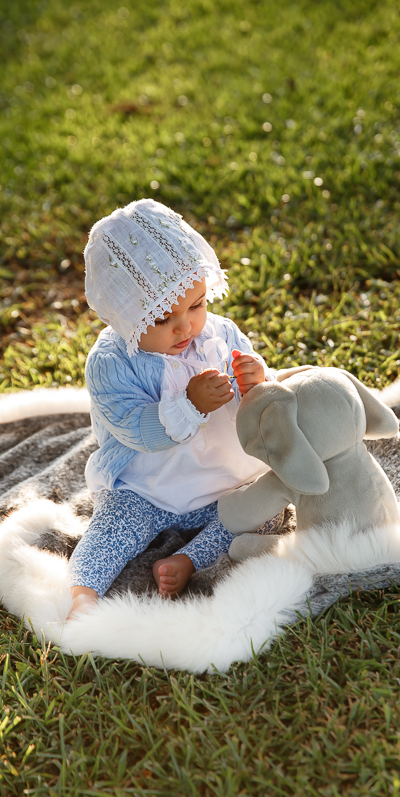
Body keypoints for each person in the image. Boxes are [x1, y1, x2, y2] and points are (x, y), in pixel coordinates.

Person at [68, 198, 283, 619]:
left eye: (197, 305)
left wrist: (255, 381)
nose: (186, 326)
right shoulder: (112, 363)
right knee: (111, 528)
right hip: (149, 487)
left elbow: (255, 400)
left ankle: (187, 560)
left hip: (225, 480)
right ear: (124, 317)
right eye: (163, 318)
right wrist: (189, 404)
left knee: (267, 507)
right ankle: (83, 592)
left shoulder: (219, 334)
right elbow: (135, 430)